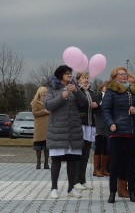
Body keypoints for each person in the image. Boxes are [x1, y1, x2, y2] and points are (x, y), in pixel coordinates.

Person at [45, 65, 89, 199]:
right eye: (67, 73)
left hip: (73, 129)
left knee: (72, 161)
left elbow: (84, 103)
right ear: (60, 75)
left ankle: (71, 188)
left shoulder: (76, 87)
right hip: (58, 130)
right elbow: (48, 105)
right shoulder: (52, 89)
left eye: (70, 73)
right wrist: (62, 97)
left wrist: (76, 91)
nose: (70, 75)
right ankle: (54, 188)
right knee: (56, 161)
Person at [102, 66, 135, 204]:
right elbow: (106, 109)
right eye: (120, 74)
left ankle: (131, 192)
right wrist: (110, 123)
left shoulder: (133, 90)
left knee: (131, 164)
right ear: (114, 77)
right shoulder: (111, 91)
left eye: (124, 74)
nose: (123, 76)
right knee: (114, 164)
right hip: (116, 132)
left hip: (131, 132)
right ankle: (112, 192)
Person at [73, 71, 101, 191]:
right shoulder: (76, 92)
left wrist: (97, 105)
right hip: (80, 125)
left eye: (87, 78)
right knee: (78, 155)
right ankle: (75, 181)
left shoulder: (92, 93)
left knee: (85, 155)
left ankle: (82, 179)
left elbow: (99, 107)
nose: (85, 80)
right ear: (78, 79)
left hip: (90, 125)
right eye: (83, 78)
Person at [93, 83, 109, 178]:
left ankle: (103, 169)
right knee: (99, 146)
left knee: (106, 147)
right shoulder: (98, 95)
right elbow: (97, 108)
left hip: (107, 125)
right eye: (105, 87)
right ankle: (96, 169)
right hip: (99, 124)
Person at [31, 86, 50, 169]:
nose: (45, 93)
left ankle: (46, 163)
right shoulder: (35, 102)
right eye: (44, 92)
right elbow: (34, 113)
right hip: (39, 126)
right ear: (40, 92)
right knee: (38, 145)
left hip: (48, 126)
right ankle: (38, 162)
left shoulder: (49, 102)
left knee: (47, 146)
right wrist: (44, 111)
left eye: (46, 92)